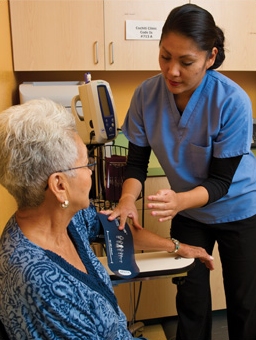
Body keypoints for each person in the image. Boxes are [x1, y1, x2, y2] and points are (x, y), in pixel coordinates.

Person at [0, 99, 214, 340]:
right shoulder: (41, 281)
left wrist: (177, 246)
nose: (92, 171)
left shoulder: (69, 218)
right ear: (60, 185)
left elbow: (118, 229)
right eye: (87, 163)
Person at [107, 3, 256, 340]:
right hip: (188, 212)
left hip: (239, 209)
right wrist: (128, 199)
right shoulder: (147, 95)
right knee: (191, 300)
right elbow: (136, 164)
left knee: (245, 302)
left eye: (186, 62)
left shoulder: (232, 101)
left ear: (210, 57)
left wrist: (178, 201)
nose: (172, 71)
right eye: (164, 57)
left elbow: (220, 182)